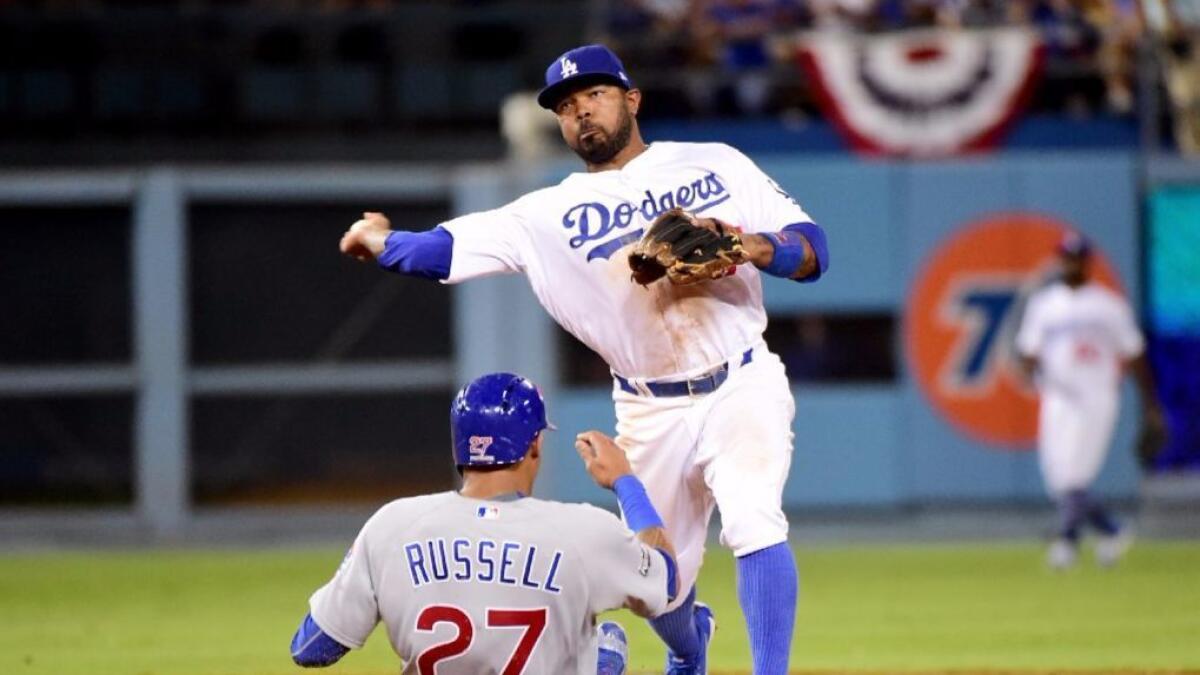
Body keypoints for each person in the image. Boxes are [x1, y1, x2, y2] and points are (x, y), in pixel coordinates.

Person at [338, 44, 829, 674]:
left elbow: (813, 252)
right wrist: (377, 239)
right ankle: (690, 649)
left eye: (593, 96)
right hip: (649, 404)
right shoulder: (544, 213)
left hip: (741, 378)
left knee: (753, 518)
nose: (581, 114)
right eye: (566, 107)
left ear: (631, 99)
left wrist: (750, 244)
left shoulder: (716, 163)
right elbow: (440, 251)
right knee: (656, 584)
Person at [289, 372, 680, 673]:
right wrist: (624, 482)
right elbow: (666, 578)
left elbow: (311, 650)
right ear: (534, 446)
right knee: (606, 644)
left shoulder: (392, 524)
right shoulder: (581, 530)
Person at [1015, 232, 1165, 569]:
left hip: (1095, 396)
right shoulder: (1045, 304)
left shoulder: (1108, 305)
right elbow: (1028, 350)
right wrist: (1028, 368)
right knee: (1058, 477)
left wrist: (1151, 407)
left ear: (1087, 262)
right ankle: (1112, 530)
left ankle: (1067, 543)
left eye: (1076, 257)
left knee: (1073, 476)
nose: (1069, 263)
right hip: (1057, 396)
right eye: (1065, 257)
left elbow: (1135, 355)